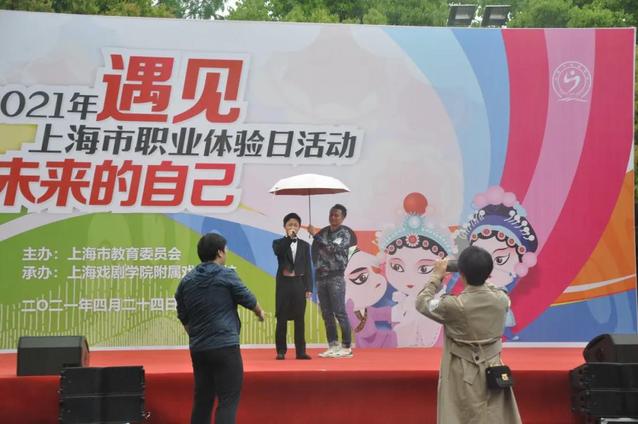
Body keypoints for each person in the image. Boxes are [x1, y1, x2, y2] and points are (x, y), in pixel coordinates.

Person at [415, 246, 522, 424]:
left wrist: (436, 276)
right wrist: (478, 272)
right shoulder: (502, 300)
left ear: (462, 274)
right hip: (493, 368)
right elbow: (491, 288)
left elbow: (422, 302)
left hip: (463, 370)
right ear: (489, 273)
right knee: (494, 414)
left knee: (463, 414)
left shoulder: (454, 305)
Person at [175, 232, 265, 424]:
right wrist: (260, 313)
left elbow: (182, 314)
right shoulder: (226, 274)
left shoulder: (186, 281)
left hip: (199, 349)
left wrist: (195, 334)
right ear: (219, 252)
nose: (227, 253)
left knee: (202, 401)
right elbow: (248, 298)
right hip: (225, 347)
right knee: (227, 401)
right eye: (226, 249)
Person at [308, 203, 357, 358]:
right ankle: (333, 345)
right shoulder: (324, 233)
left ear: (343, 218)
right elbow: (316, 252)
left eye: (337, 215)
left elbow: (333, 249)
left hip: (336, 277)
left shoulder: (344, 234)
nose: (333, 217)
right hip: (321, 277)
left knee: (339, 312)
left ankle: (346, 347)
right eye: (331, 214)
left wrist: (315, 235)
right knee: (326, 313)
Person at [272, 212, 313, 360]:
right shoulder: (278, 243)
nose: (293, 227)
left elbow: (308, 267)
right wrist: (289, 238)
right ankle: (281, 351)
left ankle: (301, 352)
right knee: (281, 318)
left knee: (299, 319)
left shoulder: (305, 245)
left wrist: (309, 288)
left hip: (299, 284)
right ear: (285, 227)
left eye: (295, 225)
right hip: (284, 284)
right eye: (290, 225)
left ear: (299, 227)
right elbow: (279, 252)